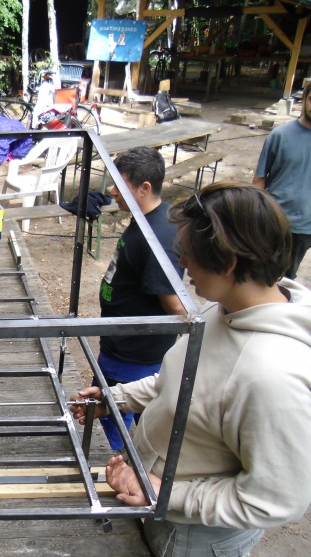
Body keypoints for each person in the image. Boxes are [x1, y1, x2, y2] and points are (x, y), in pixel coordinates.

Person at [71, 183, 311, 557]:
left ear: (229, 263)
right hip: (166, 501)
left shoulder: (272, 377)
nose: (181, 263)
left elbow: (274, 500)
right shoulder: (229, 307)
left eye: (189, 255)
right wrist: (116, 399)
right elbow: (181, 379)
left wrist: (163, 491)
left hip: (194, 534)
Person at [95, 146, 185, 453]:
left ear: (144, 188)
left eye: (119, 184)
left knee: (117, 419)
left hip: (133, 355)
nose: (112, 190)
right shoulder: (146, 219)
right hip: (119, 344)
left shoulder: (158, 237)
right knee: (115, 413)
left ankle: (119, 458)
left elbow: (175, 304)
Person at [253, 82, 311, 279]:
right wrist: (258, 216)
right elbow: (259, 180)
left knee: (286, 279)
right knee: (259, 274)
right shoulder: (280, 135)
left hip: (305, 227)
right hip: (275, 220)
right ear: (304, 99)